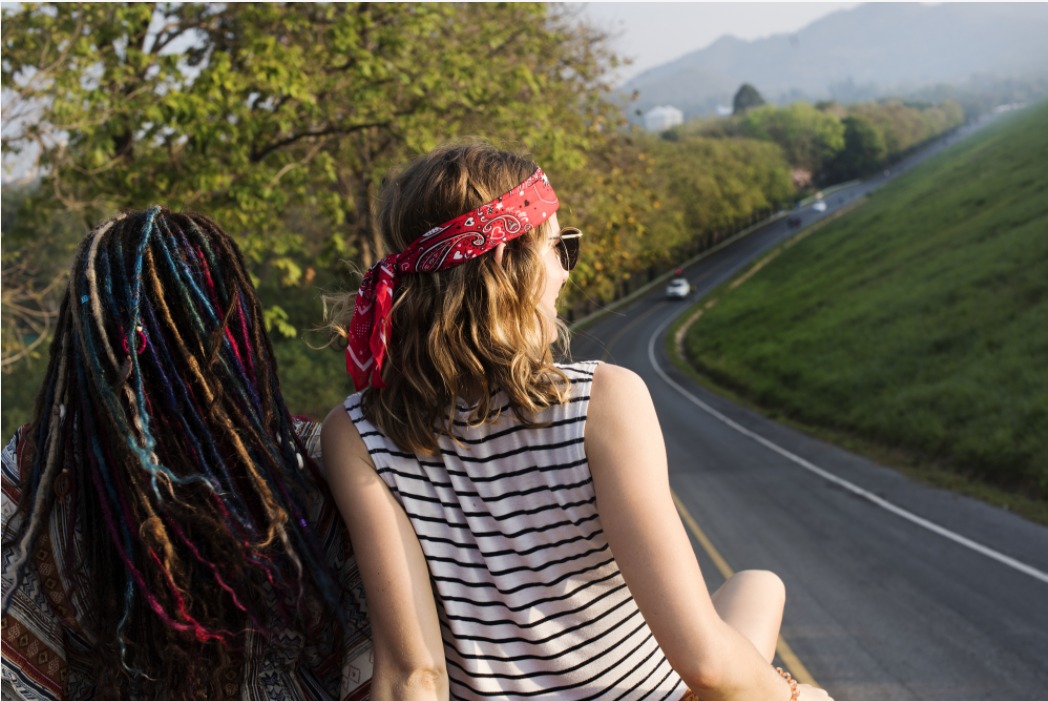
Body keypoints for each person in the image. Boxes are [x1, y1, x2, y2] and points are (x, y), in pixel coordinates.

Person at [322, 141, 833, 700]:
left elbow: (413, 675)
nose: (566, 273)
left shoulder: (356, 434)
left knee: (758, 586)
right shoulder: (601, 400)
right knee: (759, 591)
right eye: (561, 247)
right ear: (506, 265)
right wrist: (794, 696)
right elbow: (706, 665)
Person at [1, 207, 372, 700]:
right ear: (229, 319)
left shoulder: (36, 471)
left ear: (89, 331)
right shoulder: (317, 460)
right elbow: (378, 654)